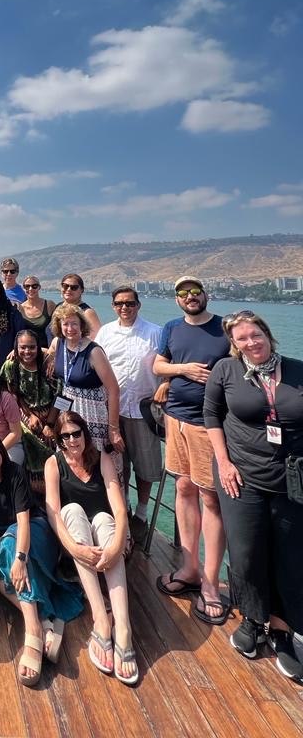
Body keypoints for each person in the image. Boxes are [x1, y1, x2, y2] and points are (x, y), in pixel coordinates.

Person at [204, 311, 303, 680]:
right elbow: (211, 415)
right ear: (235, 343)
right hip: (240, 477)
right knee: (246, 552)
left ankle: (282, 625)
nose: (250, 342)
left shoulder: (297, 371)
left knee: (290, 553)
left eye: (255, 334)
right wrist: (224, 463)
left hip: (291, 481)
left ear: (268, 333)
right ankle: (252, 618)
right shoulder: (226, 371)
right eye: (242, 338)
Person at [0, 432, 83, 685]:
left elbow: (22, 522)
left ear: (2, 451)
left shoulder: (14, 474)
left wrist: (20, 558)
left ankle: (32, 630)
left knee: (9, 546)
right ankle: (43, 618)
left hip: (32, 528)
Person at [153, 275, 229, 626]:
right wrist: (178, 373)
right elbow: (157, 365)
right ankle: (190, 568)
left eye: (195, 291)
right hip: (176, 420)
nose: (190, 296)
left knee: (211, 497)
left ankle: (211, 584)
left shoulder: (223, 328)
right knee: (183, 488)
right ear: (177, 299)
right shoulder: (171, 328)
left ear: (205, 294)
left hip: (208, 424)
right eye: (183, 293)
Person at [44, 411, 138, 685]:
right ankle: (100, 617)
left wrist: (117, 545)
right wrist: (74, 548)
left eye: (77, 433)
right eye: (66, 436)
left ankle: (123, 627)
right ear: (60, 440)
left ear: (85, 433)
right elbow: (54, 514)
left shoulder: (102, 459)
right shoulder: (54, 464)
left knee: (105, 518)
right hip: (75, 542)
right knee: (72, 510)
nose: (72, 440)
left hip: (106, 539)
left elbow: (120, 510)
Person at [95, 287, 162, 541]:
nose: (125, 307)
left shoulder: (155, 333)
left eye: (130, 303)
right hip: (113, 410)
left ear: (138, 305)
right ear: (113, 306)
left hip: (143, 411)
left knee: (145, 467)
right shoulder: (106, 333)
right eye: (120, 303)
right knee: (117, 466)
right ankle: (122, 508)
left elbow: (164, 365)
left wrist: (165, 385)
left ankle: (142, 514)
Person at [49, 304, 123, 463]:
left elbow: (113, 390)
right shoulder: (58, 344)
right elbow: (48, 358)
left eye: (74, 323)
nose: (70, 328)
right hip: (68, 413)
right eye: (65, 324)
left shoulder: (94, 351)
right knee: (71, 460)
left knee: (95, 462)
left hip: (93, 415)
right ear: (59, 326)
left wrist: (114, 429)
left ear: (82, 325)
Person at [1, 329, 60, 487]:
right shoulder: (11, 366)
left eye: (32, 347)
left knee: (54, 442)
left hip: (53, 413)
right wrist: (30, 415)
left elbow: (61, 397)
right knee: (28, 438)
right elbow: (12, 395)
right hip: (24, 412)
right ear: (16, 347)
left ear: (38, 347)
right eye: (23, 347)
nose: (27, 351)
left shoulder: (49, 365)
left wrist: (50, 424)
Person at [56, 274, 101, 339]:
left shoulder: (87, 312)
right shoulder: (58, 307)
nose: (68, 289)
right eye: (65, 286)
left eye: (74, 287)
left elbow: (96, 339)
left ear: (82, 290)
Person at [17, 276, 56, 348]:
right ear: (24, 288)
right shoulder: (20, 308)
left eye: (34, 286)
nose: (30, 289)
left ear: (39, 287)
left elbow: (57, 328)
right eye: (27, 286)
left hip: (46, 350)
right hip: (27, 351)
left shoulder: (49, 305)